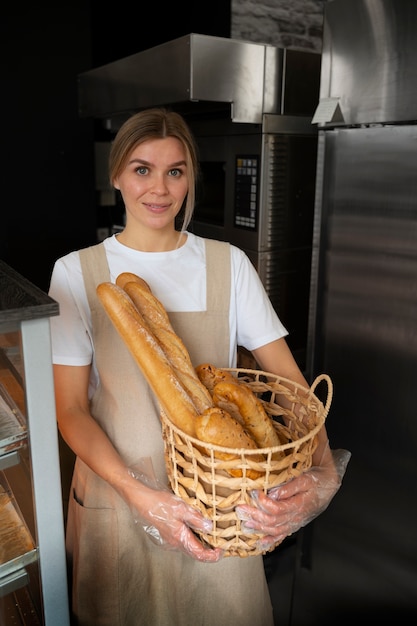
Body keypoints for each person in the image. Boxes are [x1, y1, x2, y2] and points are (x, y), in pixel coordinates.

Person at [48, 107, 350, 626]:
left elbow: (292, 388)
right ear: (116, 174)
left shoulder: (228, 264)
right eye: (142, 169)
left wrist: (324, 476)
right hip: (119, 506)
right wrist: (140, 496)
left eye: (176, 170)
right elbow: (71, 410)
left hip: (223, 513)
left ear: (191, 177)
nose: (159, 188)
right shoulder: (77, 272)